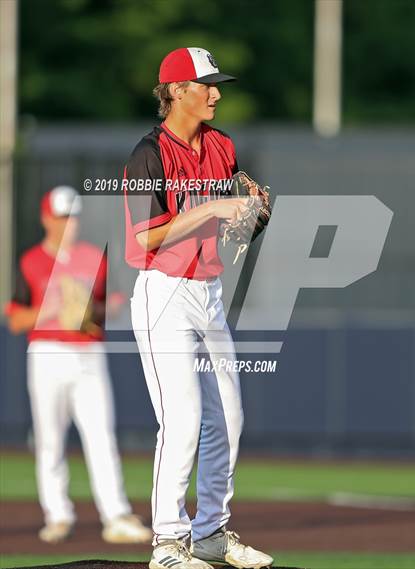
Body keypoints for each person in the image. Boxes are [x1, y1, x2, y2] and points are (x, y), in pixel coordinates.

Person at [125, 48, 273, 569]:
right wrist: (211, 206)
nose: (216, 92)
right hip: (163, 292)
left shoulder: (222, 147)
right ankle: (167, 542)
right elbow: (144, 238)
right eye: (205, 84)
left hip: (207, 292)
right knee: (182, 418)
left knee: (227, 418)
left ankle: (209, 532)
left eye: (216, 84)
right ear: (176, 91)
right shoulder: (149, 152)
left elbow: (230, 230)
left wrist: (252, 217)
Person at [5, 186, 152, 545]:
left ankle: (115, 515)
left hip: (89, 353)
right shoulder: (30, 261)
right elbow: (14, 319)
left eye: (72, 216)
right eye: (61, 217)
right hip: (47, 354)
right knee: (49, 439)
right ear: (45, 219)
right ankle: (57, 515)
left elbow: (115, 300)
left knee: (101, 435)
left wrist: (92, 311)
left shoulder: (94, 257)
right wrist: (54, 310)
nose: (68, 223)